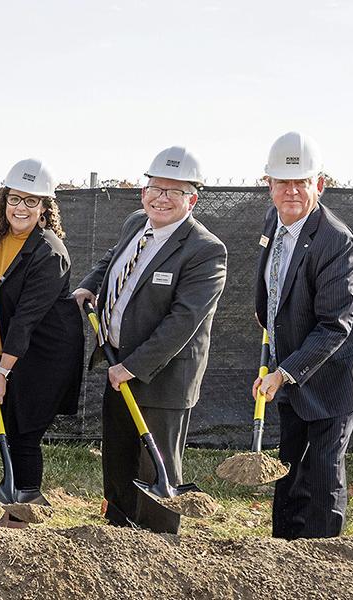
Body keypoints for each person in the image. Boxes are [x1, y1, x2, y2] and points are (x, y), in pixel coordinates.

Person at [73, 146, 227, 534]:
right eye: (156, 188)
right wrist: (91, 285)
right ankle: (117, 539)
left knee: (154, 472)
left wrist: (133, 366)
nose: (161, 198)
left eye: (174, 192)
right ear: (144, 193)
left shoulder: (205, 250)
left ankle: (159, 552)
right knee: (119, 460)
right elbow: (112, 259)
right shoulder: (136, 223)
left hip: (161, 378)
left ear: (191, 200)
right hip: (117, 362)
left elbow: (183, 322)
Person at [251, 132, 353, 540]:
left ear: (319, 185)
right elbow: (276, 287)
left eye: (301, 182)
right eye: (282, 182)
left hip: (335, 370)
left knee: (323, 467)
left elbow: (334, 326)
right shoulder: (274, 219)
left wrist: (283, 373)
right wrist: (269, 328)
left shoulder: (336, 242)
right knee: (290, 461)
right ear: (269, 185)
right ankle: (284, 551)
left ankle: (322, 559)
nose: (291, 191)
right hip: (291, 362)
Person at [0, 158, 83, 528]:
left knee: (24, 431)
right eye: (15, 199)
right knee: (12, 429)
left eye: (32, 201)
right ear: (4, 200)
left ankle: (25, 510)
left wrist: (2, 371)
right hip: (9, 350)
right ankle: (19, 504)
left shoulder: (48, 251)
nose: (21, 208)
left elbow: (27, 317)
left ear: (46, 207)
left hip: (41, 356)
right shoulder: (3, 236)